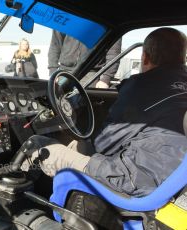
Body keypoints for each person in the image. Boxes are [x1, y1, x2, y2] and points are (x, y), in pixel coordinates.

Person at [19, 27, 187, 197]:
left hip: (134, 179)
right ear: (182, 56)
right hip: (171, 177)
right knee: (75, 146)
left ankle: (14, 205)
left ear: (145, 57)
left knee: (38, 144)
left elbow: (103, 144)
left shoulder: (142, 88)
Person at [48, 30, 122, 88]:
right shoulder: (68, 18)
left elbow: (113, 53)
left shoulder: (106, 20)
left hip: (90, 75)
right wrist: (53, 71)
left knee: (82, 106)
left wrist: (106, 79)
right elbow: (55, 45)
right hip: (63, 73)